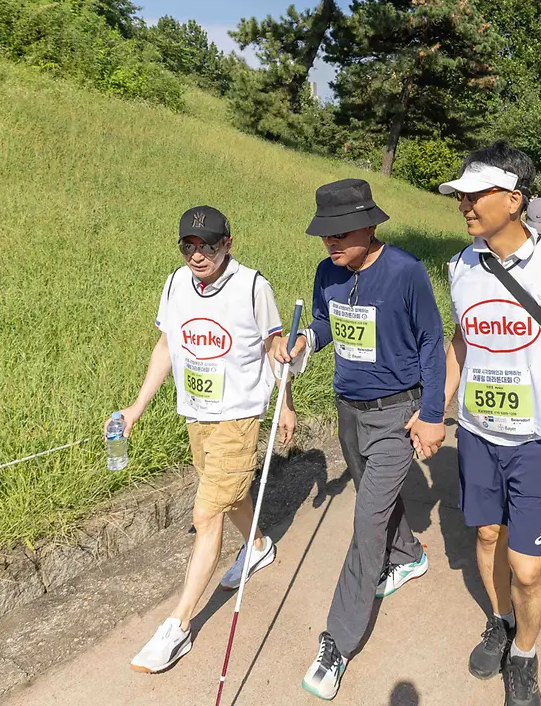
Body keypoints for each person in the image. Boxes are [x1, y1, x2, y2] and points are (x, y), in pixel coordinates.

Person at [411, 141, 541, 706]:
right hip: (478, 433)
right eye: (461, 196)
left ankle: (525, 652)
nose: (465, 205)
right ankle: (500, 623)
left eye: (477, 195)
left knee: (527, 565)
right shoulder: (460, 265)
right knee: (488, 535)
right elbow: (462, 340)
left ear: (515, 200)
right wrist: (434, 411)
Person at [273, 179, 447, 700]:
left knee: (364, 522)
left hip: (397, 414)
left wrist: (433, 414)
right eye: (325, 233)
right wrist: (304, 339)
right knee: (377, 499)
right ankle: (410, 555)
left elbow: (433, 342)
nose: (331, 242)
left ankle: (337, 641)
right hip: (348, 410)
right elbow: (328, 322)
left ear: (371, 226)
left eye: (341, 232)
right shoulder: (328, 271)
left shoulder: (406, 272)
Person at [123, 206, 292, 674]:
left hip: (238, 415)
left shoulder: (253, 286)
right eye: (189, 246)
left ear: (228, 244)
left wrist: (287, 401)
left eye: (209, 246)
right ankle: (257, 546)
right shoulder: (176, 283)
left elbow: (273, 347)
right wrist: (136, 407)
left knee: (206, 513)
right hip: (195, 414)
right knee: (227, 494)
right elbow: (166, 347)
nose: (198, 255)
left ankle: (178, 627)